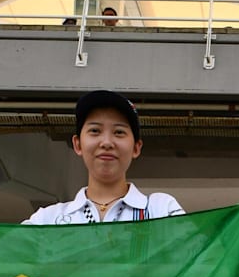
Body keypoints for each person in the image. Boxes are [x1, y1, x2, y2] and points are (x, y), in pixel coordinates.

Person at [24, 90, 184, 224]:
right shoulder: (47, 221)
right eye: (95, 131)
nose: (107, 143)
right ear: (78, 144)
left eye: (119, 132)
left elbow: (199, 257)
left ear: (136, 148)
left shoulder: (161, 211)